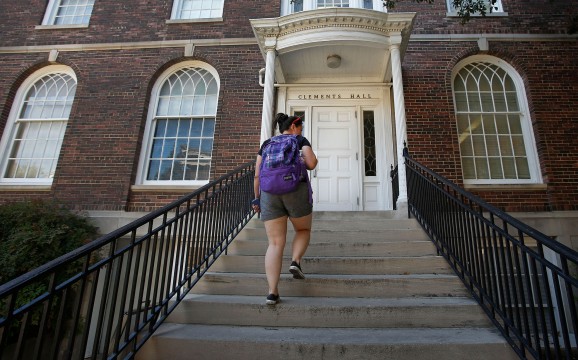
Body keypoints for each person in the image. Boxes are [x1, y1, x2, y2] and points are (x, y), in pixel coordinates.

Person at [252, 113, 318, 305]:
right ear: (295, 127)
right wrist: (302, 161)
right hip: (295, 188)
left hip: (269, 193)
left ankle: (272, 293)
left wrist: (256, 200)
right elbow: (312, 163)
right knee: (303, 229)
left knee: (274, 243)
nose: (301, 131)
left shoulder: (266, 144)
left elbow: (257, 175)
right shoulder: (299, 140)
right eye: (301, 127)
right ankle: (295, 261)